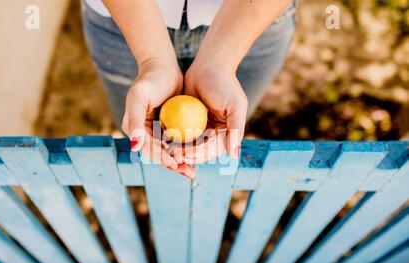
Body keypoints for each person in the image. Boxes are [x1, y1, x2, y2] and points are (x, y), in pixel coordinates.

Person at [82, 0, 296, 178]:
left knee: (224, 123)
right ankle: (153, 181)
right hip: (125, 17)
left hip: (251, 18)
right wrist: (152, 61)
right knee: (140, 126)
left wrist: (218, 64)